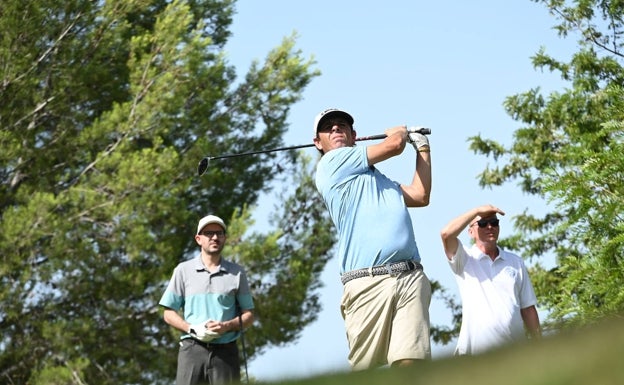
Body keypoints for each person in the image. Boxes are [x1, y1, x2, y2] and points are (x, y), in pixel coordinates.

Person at [312, 108, 433, 370]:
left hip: (410, 276)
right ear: (317, 143)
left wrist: (422, 149)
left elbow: (420, 195)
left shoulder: (380, 180)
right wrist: (400, 133)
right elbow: (394, 145)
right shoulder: (331, 164)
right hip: (366, 282)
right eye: (328, 127)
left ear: (354, 135)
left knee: (412, 364)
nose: (336, 129)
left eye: (342, 125)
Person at [159, 215, 255, 385]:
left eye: (219, 233)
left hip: (226, 352)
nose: (215, 237)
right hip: (192, 350)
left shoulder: (237, 273)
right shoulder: (183, 270)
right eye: (209, 233)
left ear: (225, 238)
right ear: (199, 239)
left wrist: (226, 326)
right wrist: (192, 329)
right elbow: (168, 313)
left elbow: (248, 315)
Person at [440, 204, 541, 355]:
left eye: (494, 223)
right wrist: (476, 211)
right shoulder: (464, 259)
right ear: (471, 231)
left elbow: (528, 309)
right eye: (482, 223)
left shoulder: (515, 262)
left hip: (515, 352)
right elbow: (446, 234)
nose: (489, 227)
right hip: (475, 354)